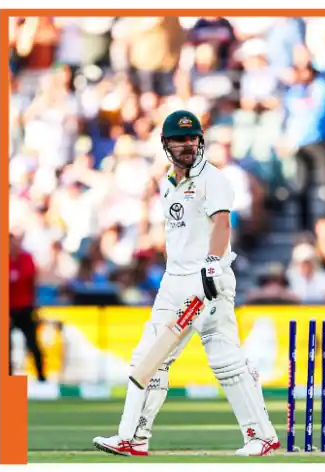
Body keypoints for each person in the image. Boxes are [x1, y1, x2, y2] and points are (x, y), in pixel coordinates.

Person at [93, 110, 279, 457]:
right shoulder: (167, 183)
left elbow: (222, 224)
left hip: (206, 280)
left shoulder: (214, 179)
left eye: (192, 138)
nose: (187, 145)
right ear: (166, 144)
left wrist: (211, 265)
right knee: (148, 358)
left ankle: (261, 436)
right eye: (179, 140)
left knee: (225, 361)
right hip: (172, 281)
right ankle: (134, 437)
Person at [9, 234, 46, 382]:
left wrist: (35, 305)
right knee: (5, 348)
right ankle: (7, 381)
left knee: (33, 345)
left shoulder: (26, 259)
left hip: (25, 308)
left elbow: (33, 283)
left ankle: (42, 378)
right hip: (8, 310)